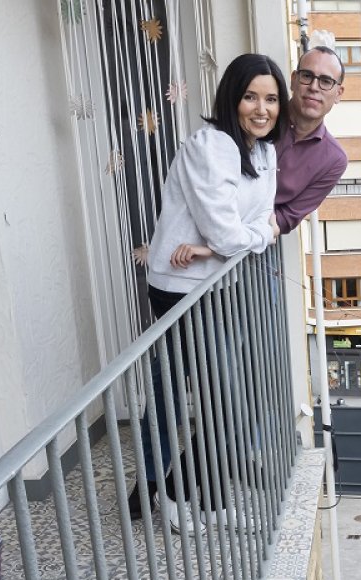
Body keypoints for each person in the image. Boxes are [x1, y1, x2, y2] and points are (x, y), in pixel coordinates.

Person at [128, 53, 288, 531]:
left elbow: (257, 221)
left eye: (272, 99)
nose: (262, 109)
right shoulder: (209, 145)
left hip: (218, 284)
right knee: (217, 401)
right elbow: (238, 233)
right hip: (180, 289)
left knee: (209, 400)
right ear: (232, 98)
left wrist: (215, 246)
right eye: (250, 97)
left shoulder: (264, 152)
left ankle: (201, 501)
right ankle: (172, 496)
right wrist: (235, 242)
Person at [271, 45, 349, 235]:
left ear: (339, 93)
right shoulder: (261, 115)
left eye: (325, 81)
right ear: (293, 80)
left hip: (251, 246)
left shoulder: (334, 161)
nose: (314, 87)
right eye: (307, 76)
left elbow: (286, 218)